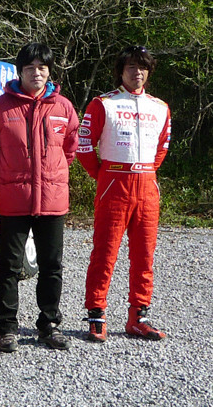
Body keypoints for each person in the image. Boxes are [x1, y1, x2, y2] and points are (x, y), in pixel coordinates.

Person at [0, 43, 79, 352]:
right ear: (19, 71)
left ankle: (49, 324)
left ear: (49, 72)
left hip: (52, 199)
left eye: (42, 67)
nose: (36, 73)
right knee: (8, 266)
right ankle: (6, 328)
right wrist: (7, 177)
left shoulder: (63, 107)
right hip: (14, 199)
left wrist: (52, 177)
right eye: (30, 68)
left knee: (51, 265)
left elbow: (70, 149)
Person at [78, 45, 171, 342]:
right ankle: (96, 314)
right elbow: (83, 146)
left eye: (142, 67)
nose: (137, 72)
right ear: (121, 71)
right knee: (105, 252)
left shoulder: (160, 107)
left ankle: (138, 317)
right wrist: (103, 176)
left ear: (149, 72)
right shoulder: (103, 104)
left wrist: (146, 172)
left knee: (144, 255)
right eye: (131, 66)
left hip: (147, 185)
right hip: (113, 183)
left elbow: (162, 148)